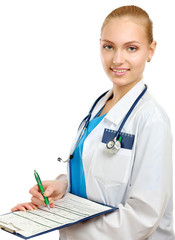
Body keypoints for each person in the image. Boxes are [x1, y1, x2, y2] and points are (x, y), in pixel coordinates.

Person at [12, 5, 174, 240]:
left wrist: (66, 224)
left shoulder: (152, 119)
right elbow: (98, 174)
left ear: (151, 50)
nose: (117, 59)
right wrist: (62, 187)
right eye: (109, 46)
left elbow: (144, 216)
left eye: (131, 48)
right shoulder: (99, 106)